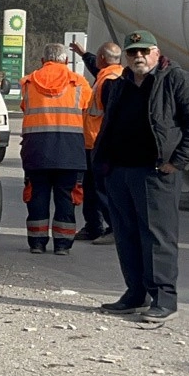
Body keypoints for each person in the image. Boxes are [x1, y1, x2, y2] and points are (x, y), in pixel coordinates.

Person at [95, 30, 189, 323]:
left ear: (156, 53)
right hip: (119, 171)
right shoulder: (121, 83)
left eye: (144, 51)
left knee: (157, 238)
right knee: (126, 235)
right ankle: (135, 294)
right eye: (133, 52)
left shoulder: (176, 80)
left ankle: (164, 300)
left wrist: (177, 162)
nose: (139, 57)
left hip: (155, 172)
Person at [20, 43, 92, 255]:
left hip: (36, 150)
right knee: (66, 198)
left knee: (37, 196)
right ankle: (62, 245)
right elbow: (88, 107)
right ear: (67, 61)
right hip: (70, 151)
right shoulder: (79, 83)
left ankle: (37, 243)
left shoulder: (28, 83)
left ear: (43, 61)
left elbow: (25, 108)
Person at [76, 42, 125, 245]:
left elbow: (112, 116)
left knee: (102, 189)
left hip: (101, 144)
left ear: (103, 58)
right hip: (93, 143)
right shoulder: (110, 74)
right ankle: (93, 227)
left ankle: (114, 229)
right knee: (90, 187)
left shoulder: (110, 81)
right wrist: (84, 54)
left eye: (97, 56)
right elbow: (95, 66)